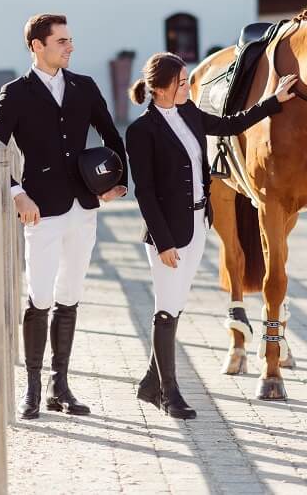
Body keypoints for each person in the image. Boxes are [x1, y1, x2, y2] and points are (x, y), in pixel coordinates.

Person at [125, 52, 297, 419]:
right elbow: (145, 192)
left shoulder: (189, 113)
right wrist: (164, 242)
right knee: (166, 311)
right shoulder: (141, 132)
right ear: (160, 89)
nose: (188, 86)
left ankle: (150, 382)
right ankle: (168, 394)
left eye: (187, 79)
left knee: (176, 306)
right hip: (168, 235)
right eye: (182, 82)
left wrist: (273, 102)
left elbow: (232, 125)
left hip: (198, 223)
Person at [0, 13, 128, 420]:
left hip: (85, 208)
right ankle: (30, 388)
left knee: (70, 295)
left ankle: (58, 386)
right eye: (62, 41)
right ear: (37, 46)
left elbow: (112, 135)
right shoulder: (16, 93)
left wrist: (118, 183)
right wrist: (17, 193)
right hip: (40, 211)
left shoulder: (84, 86)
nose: (70, 46)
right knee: (40, 297)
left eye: (69, 40)